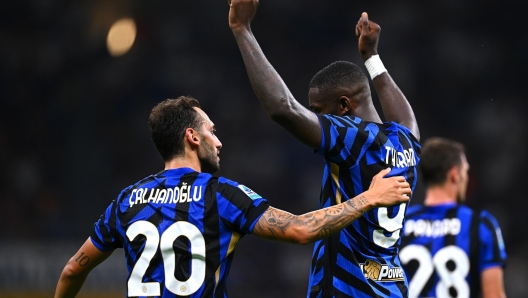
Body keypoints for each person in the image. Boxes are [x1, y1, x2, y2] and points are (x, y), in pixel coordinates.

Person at [54, 96, 412, 298]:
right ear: (192, 137)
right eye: (212, 132)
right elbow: (301, 229)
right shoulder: (221, 195)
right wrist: (369, 197)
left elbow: (72, 269)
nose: (219, 141)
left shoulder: (127, 201)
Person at [229, 1, 420, 297]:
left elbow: (283, 109)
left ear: (344, 106)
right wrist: (372, 58)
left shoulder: (353, 136)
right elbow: (406, 118)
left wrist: (242, 30)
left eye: (320, 111)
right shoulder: (406, 143)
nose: (317, 118)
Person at [399, 137, 507, 298]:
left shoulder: (400, 224)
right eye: (465, 171)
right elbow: (494, 295)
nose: (466, 177)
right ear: (455, 174)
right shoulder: (480, 225)